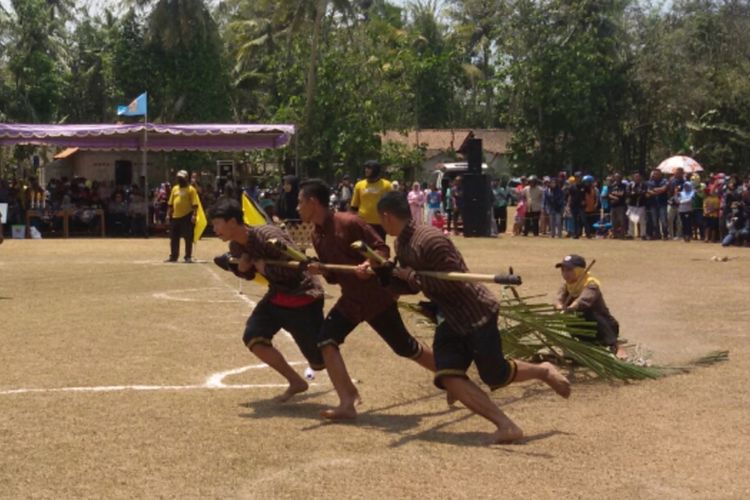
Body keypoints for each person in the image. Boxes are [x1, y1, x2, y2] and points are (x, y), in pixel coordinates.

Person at [375, 191, 571, 444]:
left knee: (495, 375)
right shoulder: (402, 243)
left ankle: (543, 371)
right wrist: (385, 275)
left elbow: (454, 282)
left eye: (380, 220)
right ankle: (506, 425)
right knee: (448, 375)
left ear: (387, 216)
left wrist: (410, 276)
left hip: (475, 312)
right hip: (450, 317)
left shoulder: (431, 240)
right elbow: (412, 287)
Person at [297, 179, 437, 420]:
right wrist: (322, 270)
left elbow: (381, 249)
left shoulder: (349, 222)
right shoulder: (317, 236)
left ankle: (453, 375)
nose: (297, 208)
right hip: (351, 300)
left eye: (300, 202)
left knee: (405, 347)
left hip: (376, 299)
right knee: (326, 340)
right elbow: (334, 276)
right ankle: (347, 400)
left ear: (313, 202)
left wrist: (368, 262)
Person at [209, 198, 325, 402]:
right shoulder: (236, 247)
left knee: (319, 360)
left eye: (217, 223)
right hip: (277, 295)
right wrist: (243, 269)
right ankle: (296, 382)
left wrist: (266, 268)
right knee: (254, 336)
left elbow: (297, 266)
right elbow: (250, 274)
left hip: (303, 295)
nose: (214, 228)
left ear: (233, 222)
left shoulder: (268, 235)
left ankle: (347, 392)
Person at [554, 254, 625, 359]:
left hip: (604, 328)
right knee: (569, 318)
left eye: (569, 270)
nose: (565, 273)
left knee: (589, 313)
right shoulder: (567, 285)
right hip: (585, 329)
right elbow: (558, 298)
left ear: (579, 271)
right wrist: (559, 306)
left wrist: (571, 307)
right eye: (563, 270)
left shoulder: (591, 284)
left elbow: (583, 300)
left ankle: (616, 346)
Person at [350, 160, 392, 240]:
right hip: (363, 223)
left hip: (380, 223)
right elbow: (354, 206)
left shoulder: (387, 185)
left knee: (379, 248)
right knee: (363, 249)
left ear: (376, 170)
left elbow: (391, 205)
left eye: (369, 168)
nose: (366, 170)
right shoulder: (359, 185)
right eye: (366, 168)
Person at [166, 170, 199, 263]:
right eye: (178, 178)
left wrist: (194, 215)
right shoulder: (175, 188)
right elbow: (170, 203)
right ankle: (173, 256)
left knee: (188, 237)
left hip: (187, 216)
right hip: (175, 216)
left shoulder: (191, 189)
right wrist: (168, 215)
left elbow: (195, 204)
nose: (179, 179)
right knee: (173, 238)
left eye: (181, 178)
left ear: (186, 178)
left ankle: (188, 256)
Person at [608, 173, 628, 239]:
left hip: (621, 205)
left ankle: (622, 235)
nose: (617, 178)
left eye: (619, 177)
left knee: (622, 220)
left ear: (621, 178)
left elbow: (624, 194)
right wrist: (614, 197)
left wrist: (618, 198)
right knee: (613, 221)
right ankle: (614, 235)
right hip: (613, 206)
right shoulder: (611, 186)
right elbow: (609, 194)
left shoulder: (624, 186)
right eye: (616, 177)